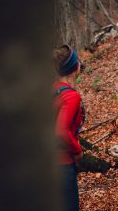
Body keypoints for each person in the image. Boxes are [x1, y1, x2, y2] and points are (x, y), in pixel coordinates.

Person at [53, 44, 84, 211]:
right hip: (62, 165)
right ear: (76, 67)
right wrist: (78, 150)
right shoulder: (71, 96)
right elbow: (61, 130)